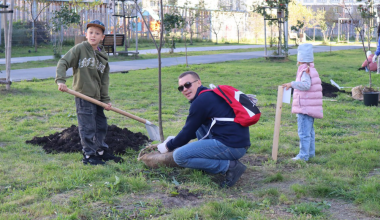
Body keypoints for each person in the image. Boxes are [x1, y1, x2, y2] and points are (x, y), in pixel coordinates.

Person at [157, 71, 251, 188]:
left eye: (187, 84)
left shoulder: (201, 101)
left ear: (199, 82)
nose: (185, 89)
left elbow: (187, 133)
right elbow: (192, 129)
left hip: (233, 147)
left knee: (179, 156)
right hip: (237, 143)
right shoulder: (208, 95)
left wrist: (168, 146)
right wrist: (175, 140)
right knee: (198, 124)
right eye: (181, 88)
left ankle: (230, 166)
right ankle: (209, 163)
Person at [55, 20, 123, 165]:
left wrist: (105, 99)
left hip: (97, 98)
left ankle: (100, 151)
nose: (93, 35)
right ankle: (89, 155)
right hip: (83, 95)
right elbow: (63, 62)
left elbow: (104, 80)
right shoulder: (80, 49)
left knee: (101, 125)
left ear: (102, 37)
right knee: (87, 127)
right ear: (86, 34)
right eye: (91, 32)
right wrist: (61, 80)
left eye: (97, 33)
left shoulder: (103, 56)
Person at [282, 43, 323, 161]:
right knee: (309, 132)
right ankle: (310, 153)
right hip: (309, 107)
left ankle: (303, 155)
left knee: (304, 132)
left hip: (304, 107)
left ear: (300, 60)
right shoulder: (311, 69)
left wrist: (292, 84)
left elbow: (306, 85)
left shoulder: (305, 71)